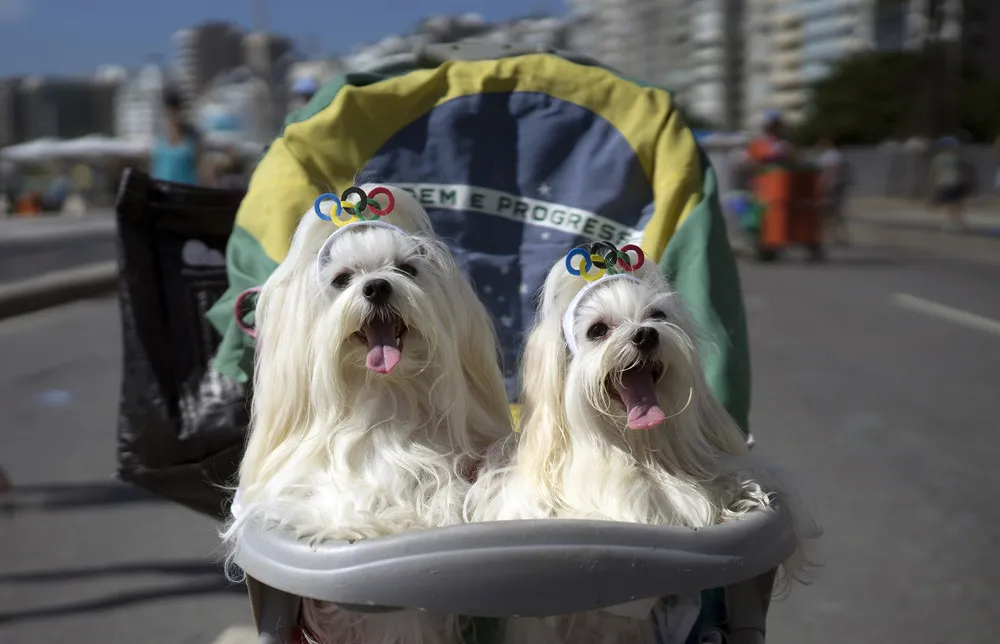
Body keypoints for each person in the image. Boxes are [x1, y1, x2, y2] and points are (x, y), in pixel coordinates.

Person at [150, 89, 203, 185]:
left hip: (185, 191)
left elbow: (199, 169)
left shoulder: (191, 140)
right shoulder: (160, 140)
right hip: (162, 192)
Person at [816, 135, 850, 244]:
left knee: (833, 212)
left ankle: (839, 236)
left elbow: (836, 167)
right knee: (826, 212)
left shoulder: (834, 154)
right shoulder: (826, 155)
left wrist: (825, 175)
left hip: (832, 186)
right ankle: (831, 236)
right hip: (826, 186)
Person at [929, 136, 967, 231]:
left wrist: (933, 182)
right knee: (957, 203)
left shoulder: (938, 158)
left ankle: (952, 221)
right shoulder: (956, 158)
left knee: (949, 203)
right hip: (956, 182)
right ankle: (958, 221)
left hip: (944, 182)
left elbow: (934, 171)